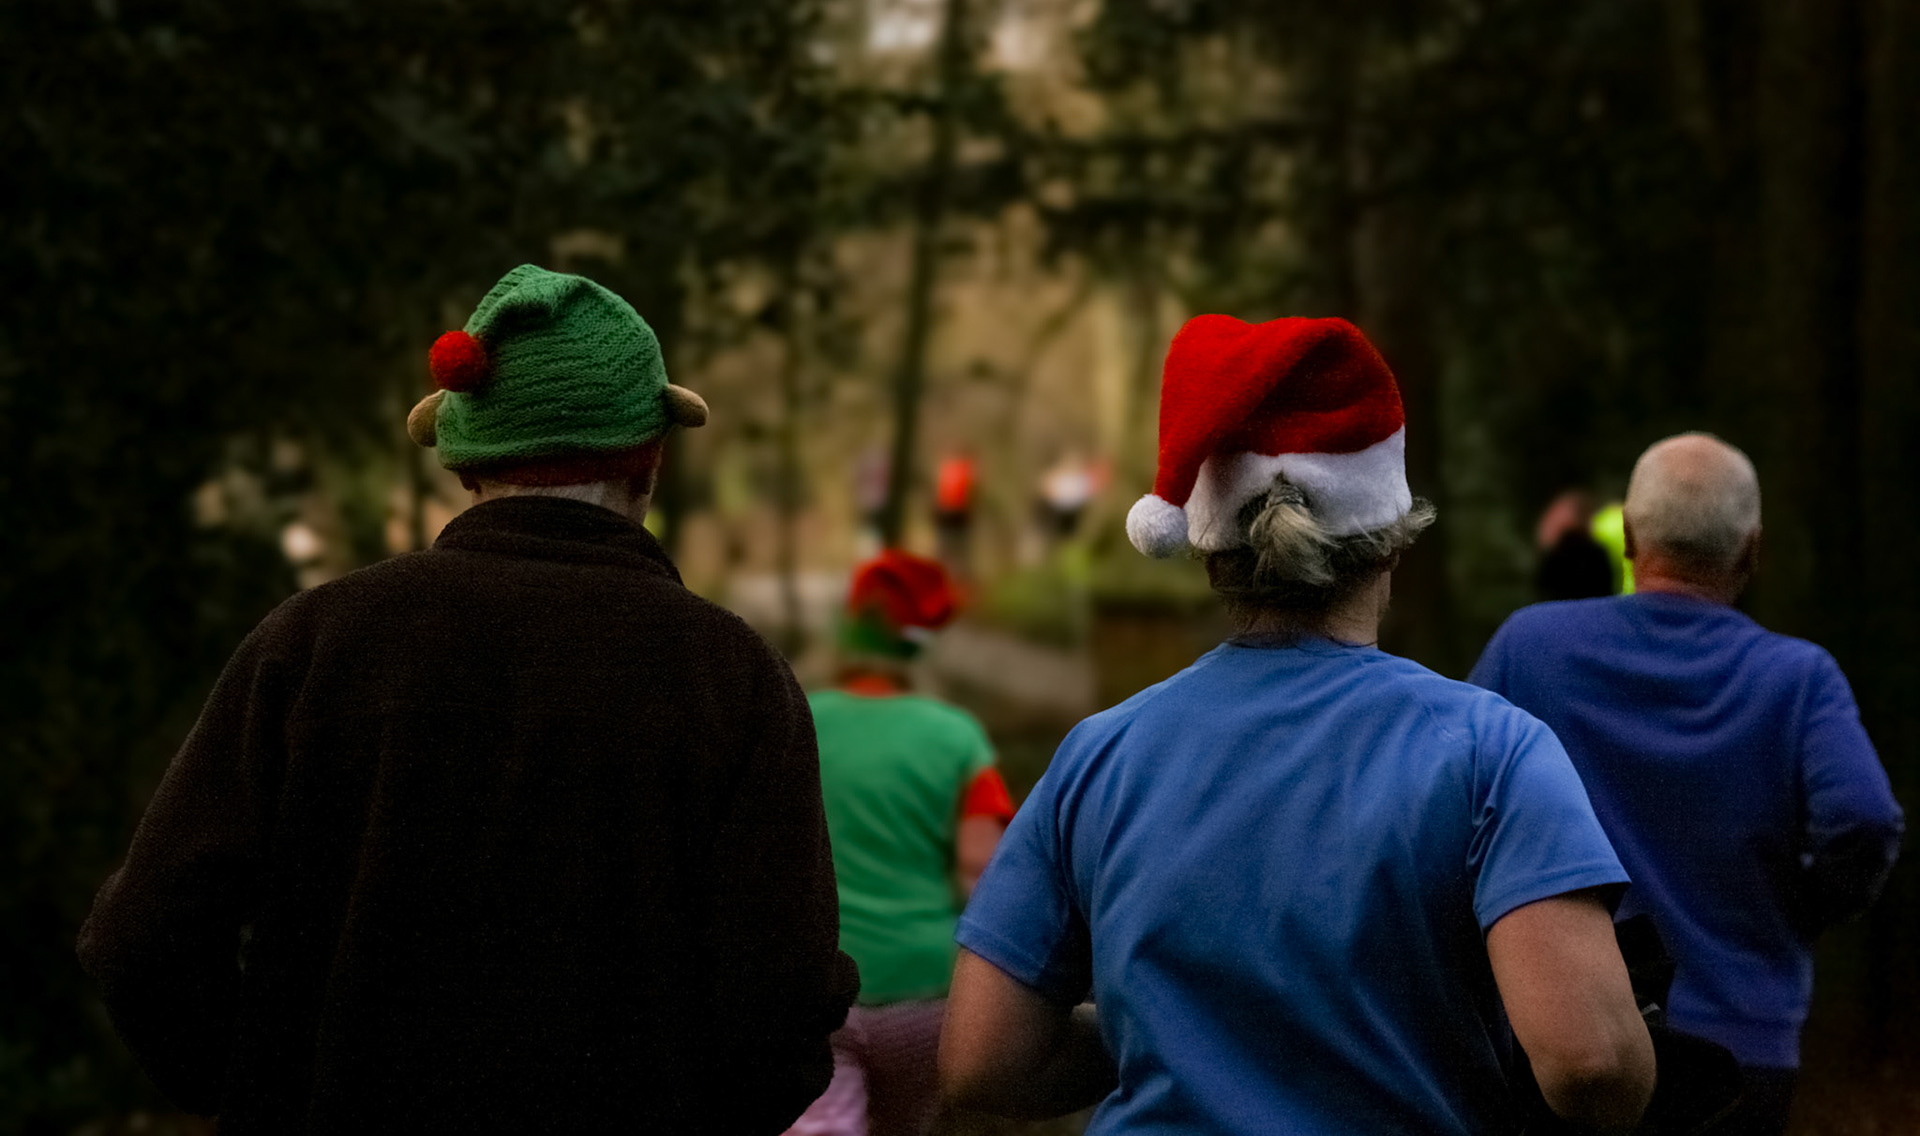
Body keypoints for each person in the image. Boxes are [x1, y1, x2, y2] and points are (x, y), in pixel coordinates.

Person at [77, 265, 858, 1133]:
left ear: (464, 463)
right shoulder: (731, 674)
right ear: (650, 461)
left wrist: (261, 1092)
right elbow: (783, 985)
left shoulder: (313, 643)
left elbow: (141, 937)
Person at [941, 315, 1656, 1135]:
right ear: (1391, 542)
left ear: (1213, 556)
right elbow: (1589, 1061)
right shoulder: (1492, 750)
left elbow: (981, 1059)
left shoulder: (1098, 756)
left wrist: (1168, 1036)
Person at [1471, 432, 1904, 1135]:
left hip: (1568, 1039)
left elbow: (1457, 809)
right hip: (1743, 1041)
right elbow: (1863, 818)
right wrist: (1803, 906)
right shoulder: (1799, 678)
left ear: (1631, 539)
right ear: (1752, 549)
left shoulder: (1530, 648)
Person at [788, 549, 1014, 1136]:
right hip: (924, 991)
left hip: (817, 990)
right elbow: (980, 869)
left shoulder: (798, 722)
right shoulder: (958, 738)